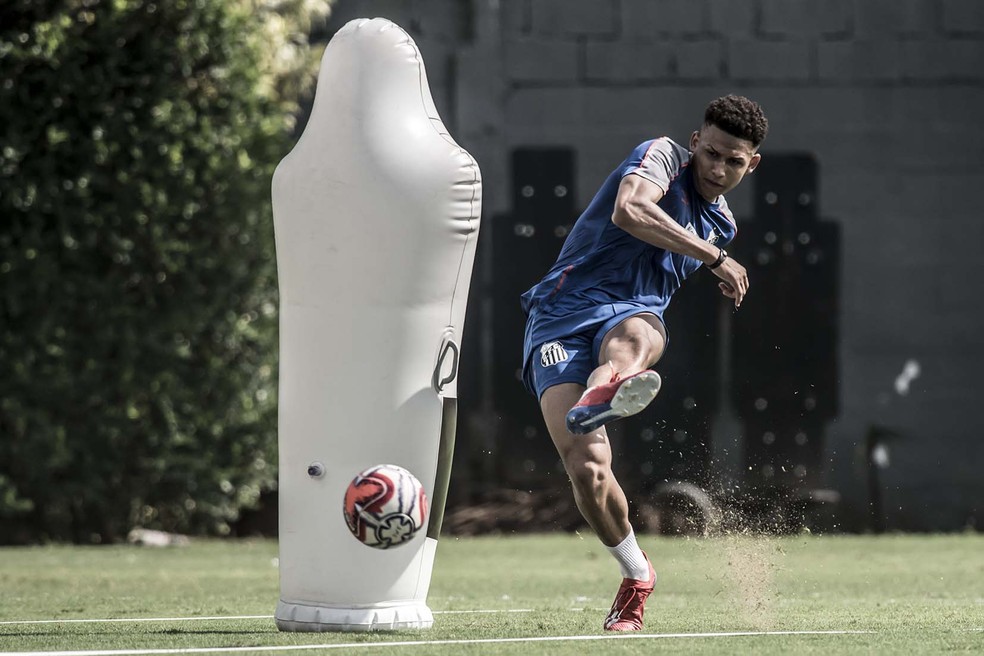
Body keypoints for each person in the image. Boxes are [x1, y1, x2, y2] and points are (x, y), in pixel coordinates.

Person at [520, 95, 768, 631]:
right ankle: (638, 571)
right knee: (588, 470)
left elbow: (658, 278)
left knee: (636, 332)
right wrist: (715, 258)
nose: (719, 169)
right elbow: (629, 210)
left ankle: (609, 386)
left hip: (634, 316)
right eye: (713, 154)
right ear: (696, 142)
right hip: (562, 314)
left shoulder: (720, 223)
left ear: (752, 164)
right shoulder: (660, 155)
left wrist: (712, 250)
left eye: (735, 161)